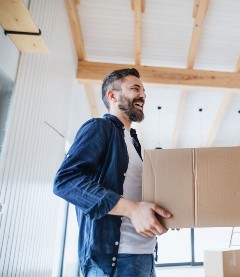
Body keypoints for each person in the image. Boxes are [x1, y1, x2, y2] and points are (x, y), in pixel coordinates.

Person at [54, 68, 172, 277]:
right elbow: (65, 181)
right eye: (135, 88)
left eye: (144, 91)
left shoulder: (133, 142)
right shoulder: (99, 127)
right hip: (115, 261)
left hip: (145, 255)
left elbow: (134, 195)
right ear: (112, 95)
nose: (143, 95)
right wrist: (132, 209)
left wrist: (166, 214)